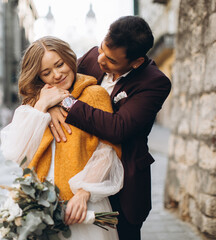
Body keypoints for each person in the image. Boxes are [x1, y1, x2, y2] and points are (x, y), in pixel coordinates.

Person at [48, 16, 172, 239]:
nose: (101, 60)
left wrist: (66, 103)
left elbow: (118, 128)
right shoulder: (92, 57)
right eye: (103, 48)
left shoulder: (154, 83)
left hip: (123, 183)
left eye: (112, 60)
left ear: (136, 62)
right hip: (75, 172)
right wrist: (51, 106)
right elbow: (53, 84)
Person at [0, 36, 124, 239]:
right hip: (36, 202)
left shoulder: (94, 95)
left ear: (69, 58)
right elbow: (14, 151)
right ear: (38, 76)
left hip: (82, 201)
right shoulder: (32, 105)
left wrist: (84, 193)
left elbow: (107, 150)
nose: (56, 75)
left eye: (60, 64)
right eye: (46, 73)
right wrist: (42, 107)